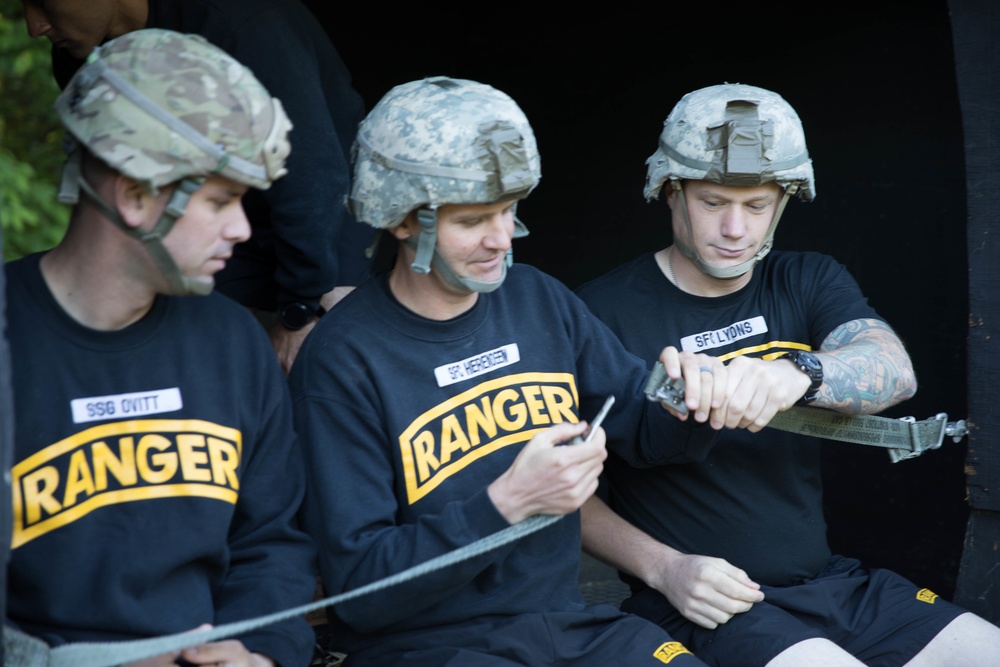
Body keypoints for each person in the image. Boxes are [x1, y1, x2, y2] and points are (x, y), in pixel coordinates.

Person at [288, 75, 717, 666]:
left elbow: (644, 434)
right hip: (426, 648)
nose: (502, 240)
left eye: (509, 210)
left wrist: (693, 399)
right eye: (472, 220)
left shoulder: (538, 300)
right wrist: (509, 501)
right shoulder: (344, 358)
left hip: (567, 626)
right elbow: (360, 591)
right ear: (400, 219)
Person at [575, 83, 1000, 666]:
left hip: (830, 584)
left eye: (757, 206)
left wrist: (797, 372)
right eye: (713, 202)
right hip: (706, 602)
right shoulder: (595, 315)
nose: (735, 229)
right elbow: (561, 492)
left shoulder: (805, 279)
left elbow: (893, 369)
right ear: (670, 191)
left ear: (785, 199)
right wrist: (663, 568)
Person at [5, 29, 317, 667]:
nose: (241, 229)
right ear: (135, 194)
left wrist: (261, 652)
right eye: (220, 201)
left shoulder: (234, 344)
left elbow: (272, 546)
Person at [20, 0, 374, 373]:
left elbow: (313, 175)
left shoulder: (247, 22)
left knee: (323, 365)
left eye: (43, 2)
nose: (34, 25)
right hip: (197, 243)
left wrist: (300, 309)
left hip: (325, 234)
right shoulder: (82, 54)